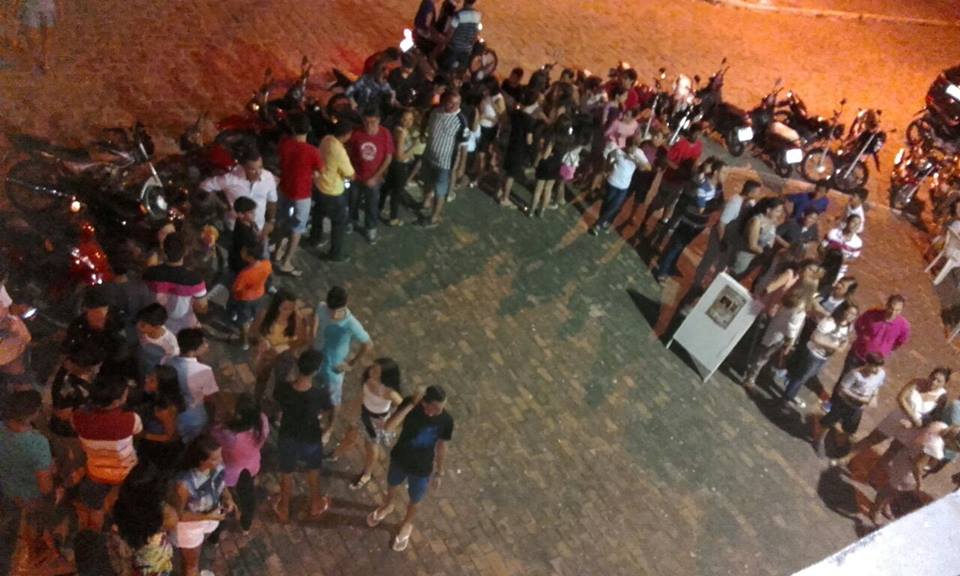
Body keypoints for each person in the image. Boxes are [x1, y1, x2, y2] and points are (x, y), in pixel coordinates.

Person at [367, 385, 453, 552]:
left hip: (422, 468)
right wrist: (411, 404)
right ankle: (388, 505)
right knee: (392, 484)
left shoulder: (446, 420)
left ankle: (407, 523)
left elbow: (442, 446)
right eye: (435, 407)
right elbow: (389, 427)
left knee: (415, 499)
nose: (438, 412)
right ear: (424, 402)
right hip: (400, 458)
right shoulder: (411, 405)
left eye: (441, 408)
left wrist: (440, 472)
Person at [72, 372, 143, 531]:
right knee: (125, 505)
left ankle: (95, 533)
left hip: (95, 471)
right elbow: (138, 431)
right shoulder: (130, 418)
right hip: (124, 472)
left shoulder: (78, 417)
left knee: (95, 506)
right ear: (116, 401)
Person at [272, 349, 332, 523]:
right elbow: (327, 410)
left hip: (288, 436)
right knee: (313, 470)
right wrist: (327, 427)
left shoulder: (283, 389)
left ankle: (284, 507)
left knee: (286, 472)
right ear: (316, 371)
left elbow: (278, 407)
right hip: (310, 437)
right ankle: (315, 503)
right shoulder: (319, 394)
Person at [844, 367, 949, 463]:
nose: (934, 382)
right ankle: (846, 457)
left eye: (938, 381)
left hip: (913, 428)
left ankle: (874, 473)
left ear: (944, 384)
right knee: (873, 438)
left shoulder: (942, 397)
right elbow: (901, 398)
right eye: (933, 378)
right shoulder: (916, 382)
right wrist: (913, 417)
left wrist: (913, 424)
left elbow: (933, 417)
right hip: (899, 416)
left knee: (892, 452)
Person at [0, 390, 57, 567]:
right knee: (35, 524)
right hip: (31, 497)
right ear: (33, 414)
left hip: (7, 489)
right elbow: (45, 486)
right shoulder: (38, 443)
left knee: (10, 524)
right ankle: (36, 551)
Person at [868, 423, 960, 526]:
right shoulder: (935, 448)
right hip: (908, 469)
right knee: (891, 488)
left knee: (894, 487)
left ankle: (884, 505)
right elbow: (918, 465)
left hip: (905, 455)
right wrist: (919, 482)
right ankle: (875, 510)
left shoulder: (940, 425)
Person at [334, 358, 404, 490]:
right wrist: (352, 408)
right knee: (350, 435)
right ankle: (335, 454)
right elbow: (363, 395)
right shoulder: (368, 379)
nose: (371, 372)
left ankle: (367, 473)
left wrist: (391, 421)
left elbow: (404, 407)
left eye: (376, 371)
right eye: (373, 368)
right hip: (363, 413)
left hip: (375, 422)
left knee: (371, 447)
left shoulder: (388, 392)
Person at [314, 286, 373, 442]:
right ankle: (319, 409)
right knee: (317, 385)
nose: (333, 314)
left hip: (334, 366)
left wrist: (351, 364)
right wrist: (311, 337)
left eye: (337, 311)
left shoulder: (351, 323)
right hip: (318, 356)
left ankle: (330, 427)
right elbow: (316, 317)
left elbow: (368, 344)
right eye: (331, 309)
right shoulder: (322, 307)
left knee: (335, 398)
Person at [170, 434, 234, 576]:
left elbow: (221, 484)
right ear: (201, 460)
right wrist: (207, 516)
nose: (221, 460)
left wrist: (228, 497)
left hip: (210, 518)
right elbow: (177, 515)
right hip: (190, 526)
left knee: (196, 550)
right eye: (215, 458)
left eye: (220, 455)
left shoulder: (218, 467)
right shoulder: (185, 483)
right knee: (192, 564)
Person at [653, 159, 725, 282]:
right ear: (716, 172)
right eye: (724, 172)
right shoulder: (703, 186)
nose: (726, 175)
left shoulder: (718, 187)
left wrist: (715, 204)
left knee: (682, 246)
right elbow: (702, 208)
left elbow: (719, 204)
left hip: (700, 223)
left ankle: (670, 265)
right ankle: (662, 270)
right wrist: (716, 205)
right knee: (676, 245)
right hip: (689, 222)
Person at [781, 303, 858, 410]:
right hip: (813, 353)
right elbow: (815, 338)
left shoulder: (848, 327)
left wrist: (841, 345)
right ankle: (787, 398)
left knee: (806, 376)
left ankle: (790, 390)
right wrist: (833, 346)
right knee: (801, 377)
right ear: (843, 311)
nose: (851, 316)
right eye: (849, 312)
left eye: (854, 314)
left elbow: (844, 341)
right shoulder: (829, 322)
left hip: (824, 357)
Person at [211, 393, 269, 533]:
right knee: (247, 494)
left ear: (239, 415)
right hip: (252, 463)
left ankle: (219, 528)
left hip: (231, 470)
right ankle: (246, 525)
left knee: (222, 496)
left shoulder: (229, 435)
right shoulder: (262, 420)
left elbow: (213, 434)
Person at [692, 179, 764, 289]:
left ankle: (710, 287)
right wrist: (722, 241)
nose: (759, 194)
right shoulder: (735, 202)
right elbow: (722, 224)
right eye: (757, 192)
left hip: (730, 239)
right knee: (709, 259)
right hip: (721, 237)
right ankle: (697, 283)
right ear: (750, 192)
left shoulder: (749, 203)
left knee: (722, 265)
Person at [812, 352, 887, 455]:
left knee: (850, 429)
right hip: (844, 403)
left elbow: (877, 386)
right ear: (867, 364)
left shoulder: (880, 374)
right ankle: (818, 440)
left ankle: (839, 444)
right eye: (874, 367)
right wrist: (859, 398)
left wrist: (874, 397)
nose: (877, 370)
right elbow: (841, 389)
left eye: (879, 367)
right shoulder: (855, 375)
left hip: (858, 407)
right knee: (829, 422)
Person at [276, 114, 324, 275]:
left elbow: (280, 162)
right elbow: (319, 171)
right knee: (297, 228)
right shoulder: (312, 151)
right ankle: (286, 261)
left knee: (281, 221)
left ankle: (277, 251)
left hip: (284, 189)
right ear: (308, 129)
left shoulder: (285, 144)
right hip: (302, 194)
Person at [113, 461, 177, 576]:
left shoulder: (118, 501)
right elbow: (173, 525)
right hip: (154, 562)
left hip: (129, 552)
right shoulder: (165, 513)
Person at [250, 289, 311, 405]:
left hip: (285, 356)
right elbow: (253, 331)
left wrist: (285, 346)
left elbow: (303, 339)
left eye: (291, 309)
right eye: (284, 308)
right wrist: (262, 339)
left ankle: (276, 401)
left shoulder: (296, 319)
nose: (288, 312)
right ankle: (257, 401)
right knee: (262, 378)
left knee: (281, 381)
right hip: (267, 355)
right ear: (276, 306)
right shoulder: (264, 314)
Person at [199, 146, 277, 236]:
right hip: (234, 229)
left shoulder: (268, 178)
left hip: (257, 229)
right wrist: (222, 204)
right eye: (253, 169)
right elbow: (204, 186)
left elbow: (272, 201)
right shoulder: (230, 179)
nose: (258, 173)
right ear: (244, 167)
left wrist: (271, 221)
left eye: (260, 167)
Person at [642, 122, 704, 229]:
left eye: (700, 134)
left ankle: (662, 222)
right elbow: (667, 159)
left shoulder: (699, 146)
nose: (697, 136)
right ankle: (645, 220)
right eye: (696, 133)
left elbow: (696, 161)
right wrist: (678, 170)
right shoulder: (680, 144)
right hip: (669, 179)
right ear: (690, 132)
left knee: (671, 203)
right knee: (658, 202)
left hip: (681, 182)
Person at [143, 233, 208, 335]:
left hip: (156, 322)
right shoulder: (194, 279)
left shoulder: (150, 273)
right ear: (185, 252)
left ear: (164, 251)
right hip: (182, 326)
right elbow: (202, 308)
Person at [742, 290, 807, 391]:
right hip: (778, 338)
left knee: (761, 354)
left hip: (772, 332)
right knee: (763, 357)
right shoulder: (798, 312)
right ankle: (750, 378)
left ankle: (749, 370)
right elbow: (791, 329)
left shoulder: (787, 304)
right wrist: (789, 344)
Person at [348, 107, 395, 244]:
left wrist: (376, 177)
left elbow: (388, 157)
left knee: (372, 204)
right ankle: (352, 221)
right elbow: (349, 152)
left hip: (374, 178)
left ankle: (370, 228)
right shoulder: (356, 132)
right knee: (353, 200)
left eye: (373, 122)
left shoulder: (385, 133)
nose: (369, 125)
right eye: (366, 122)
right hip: (356, 176)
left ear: (379, 121)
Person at [421, 90, 466, 226]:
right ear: (444, 101)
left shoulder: (461, 121)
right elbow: (425, 119)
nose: (454, 106)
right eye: (451, 103)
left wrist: (461, 165)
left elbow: (464, 145)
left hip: (445, 163)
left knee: (440, 190)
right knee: (427, 181)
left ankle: (434, 216)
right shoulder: (435, 110)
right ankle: (426, 202)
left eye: (457, 103)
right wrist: (422, 133)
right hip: (429, 155)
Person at [589, 136, 651, 235]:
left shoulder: (638, 153)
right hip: (612, 182)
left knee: (615, 206)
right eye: (631, 146)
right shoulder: (619, 151)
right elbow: (609, 156)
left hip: (624, 186)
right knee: (607, 204)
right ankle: (602, 221)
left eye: (635, 146)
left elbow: (648, 167)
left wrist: (637, 160)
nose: (632, 149)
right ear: (627, 144)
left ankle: (597, 225)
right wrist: (607, 169)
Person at [167, 328, 219, 443]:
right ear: (193, 350)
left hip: (171, 409)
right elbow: (209, 396)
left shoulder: (167, 361)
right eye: (203, 343)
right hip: (193, 415)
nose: (206, 345)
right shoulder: (204, 371)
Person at [314, 120, 356, 262]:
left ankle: (314, 238)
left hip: (319, 184)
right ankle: (335, 254)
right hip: (332, 191)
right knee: (338, 223)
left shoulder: (326, 139)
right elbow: (350, 174)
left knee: (318, 214)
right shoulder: (339, 151)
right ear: (347, 135)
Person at [841, 294, 910, 376]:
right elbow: (858, 324)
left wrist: (886, 348)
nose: (893, 312)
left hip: (873, 364)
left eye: (897, 310)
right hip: (857, 355)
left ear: (901, 310)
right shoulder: (872, 314)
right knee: (845, 378)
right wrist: (863, 338)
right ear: (887, 305)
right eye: (891, 308)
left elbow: (899, 342)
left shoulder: (903, 326)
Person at [136, 365, 183, 471]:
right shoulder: (155, 396)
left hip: (157, 447)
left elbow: (170, 437)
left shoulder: (165, 410)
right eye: (149, 376)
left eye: (152, 380)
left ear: (162, 386)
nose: (146, 380)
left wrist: (143, 435)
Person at [227, 241, 272, 350]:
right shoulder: (267, 264)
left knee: (243, 321)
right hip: (259, 294)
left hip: (245, 299)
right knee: (252, 313)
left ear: (250, 257)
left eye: (244, 252)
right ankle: (250, 319)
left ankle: (244, 342)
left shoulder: (245, 274)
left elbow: (236, 288)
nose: (241, 252)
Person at [498, 89, 539, 207]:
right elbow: (529, 139)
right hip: (519, 149)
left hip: (511, 143)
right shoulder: (530, 120)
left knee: (505, 169)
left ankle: (499, 190)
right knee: (511, 174)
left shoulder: (515, 113)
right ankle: (505, 198)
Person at [730, 197, 785, 278]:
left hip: (754, 259)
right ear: (768, 210)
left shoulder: (773, 221)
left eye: (780, 211)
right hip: (743, 258)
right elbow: (752, 245)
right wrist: (765, 254)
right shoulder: (756, 221)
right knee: (731, 278)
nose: (779, 214)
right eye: (777, 211)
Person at [381, 108, 418, 226]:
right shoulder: (401, 132)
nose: (408, 122)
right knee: (397, 192)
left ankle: (379, 207)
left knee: (387, 187)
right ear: (400, 119)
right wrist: (414, 147)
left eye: (410, 119)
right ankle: (393, 218)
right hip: (399, 166)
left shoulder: (398, 129)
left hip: (394, 165)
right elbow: (400, 156)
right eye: (405, 119)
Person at [135, 303, 180, 378]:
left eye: (143, 325)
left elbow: (169, 364)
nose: (137, 326)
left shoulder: (170, 344)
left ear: (156, 327)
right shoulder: (142, 331)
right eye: (138, 322)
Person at [439, 0, 481, 72]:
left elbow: (450, 32)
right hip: (466, 51)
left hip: (453, 48)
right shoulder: (478, 16)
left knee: (443, 69)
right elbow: (476, 35)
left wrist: (444, 43)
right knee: (458, 71)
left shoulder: (459, 14)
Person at [821, 214, 863, 283]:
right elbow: (821, 248)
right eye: (853, 222)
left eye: (858, 224)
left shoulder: (858, 243)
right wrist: (828, 257)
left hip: (839, 272)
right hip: (824, 265)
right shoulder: (833, 233)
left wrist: (839, 260)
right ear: (847, 221)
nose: (855, 225)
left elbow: (853, 259)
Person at [19, 0, 57, 72]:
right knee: (31, 35)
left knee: (47, 35)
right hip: (31, 7)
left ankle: (45, 61)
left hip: (48, 7)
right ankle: (36, 57)